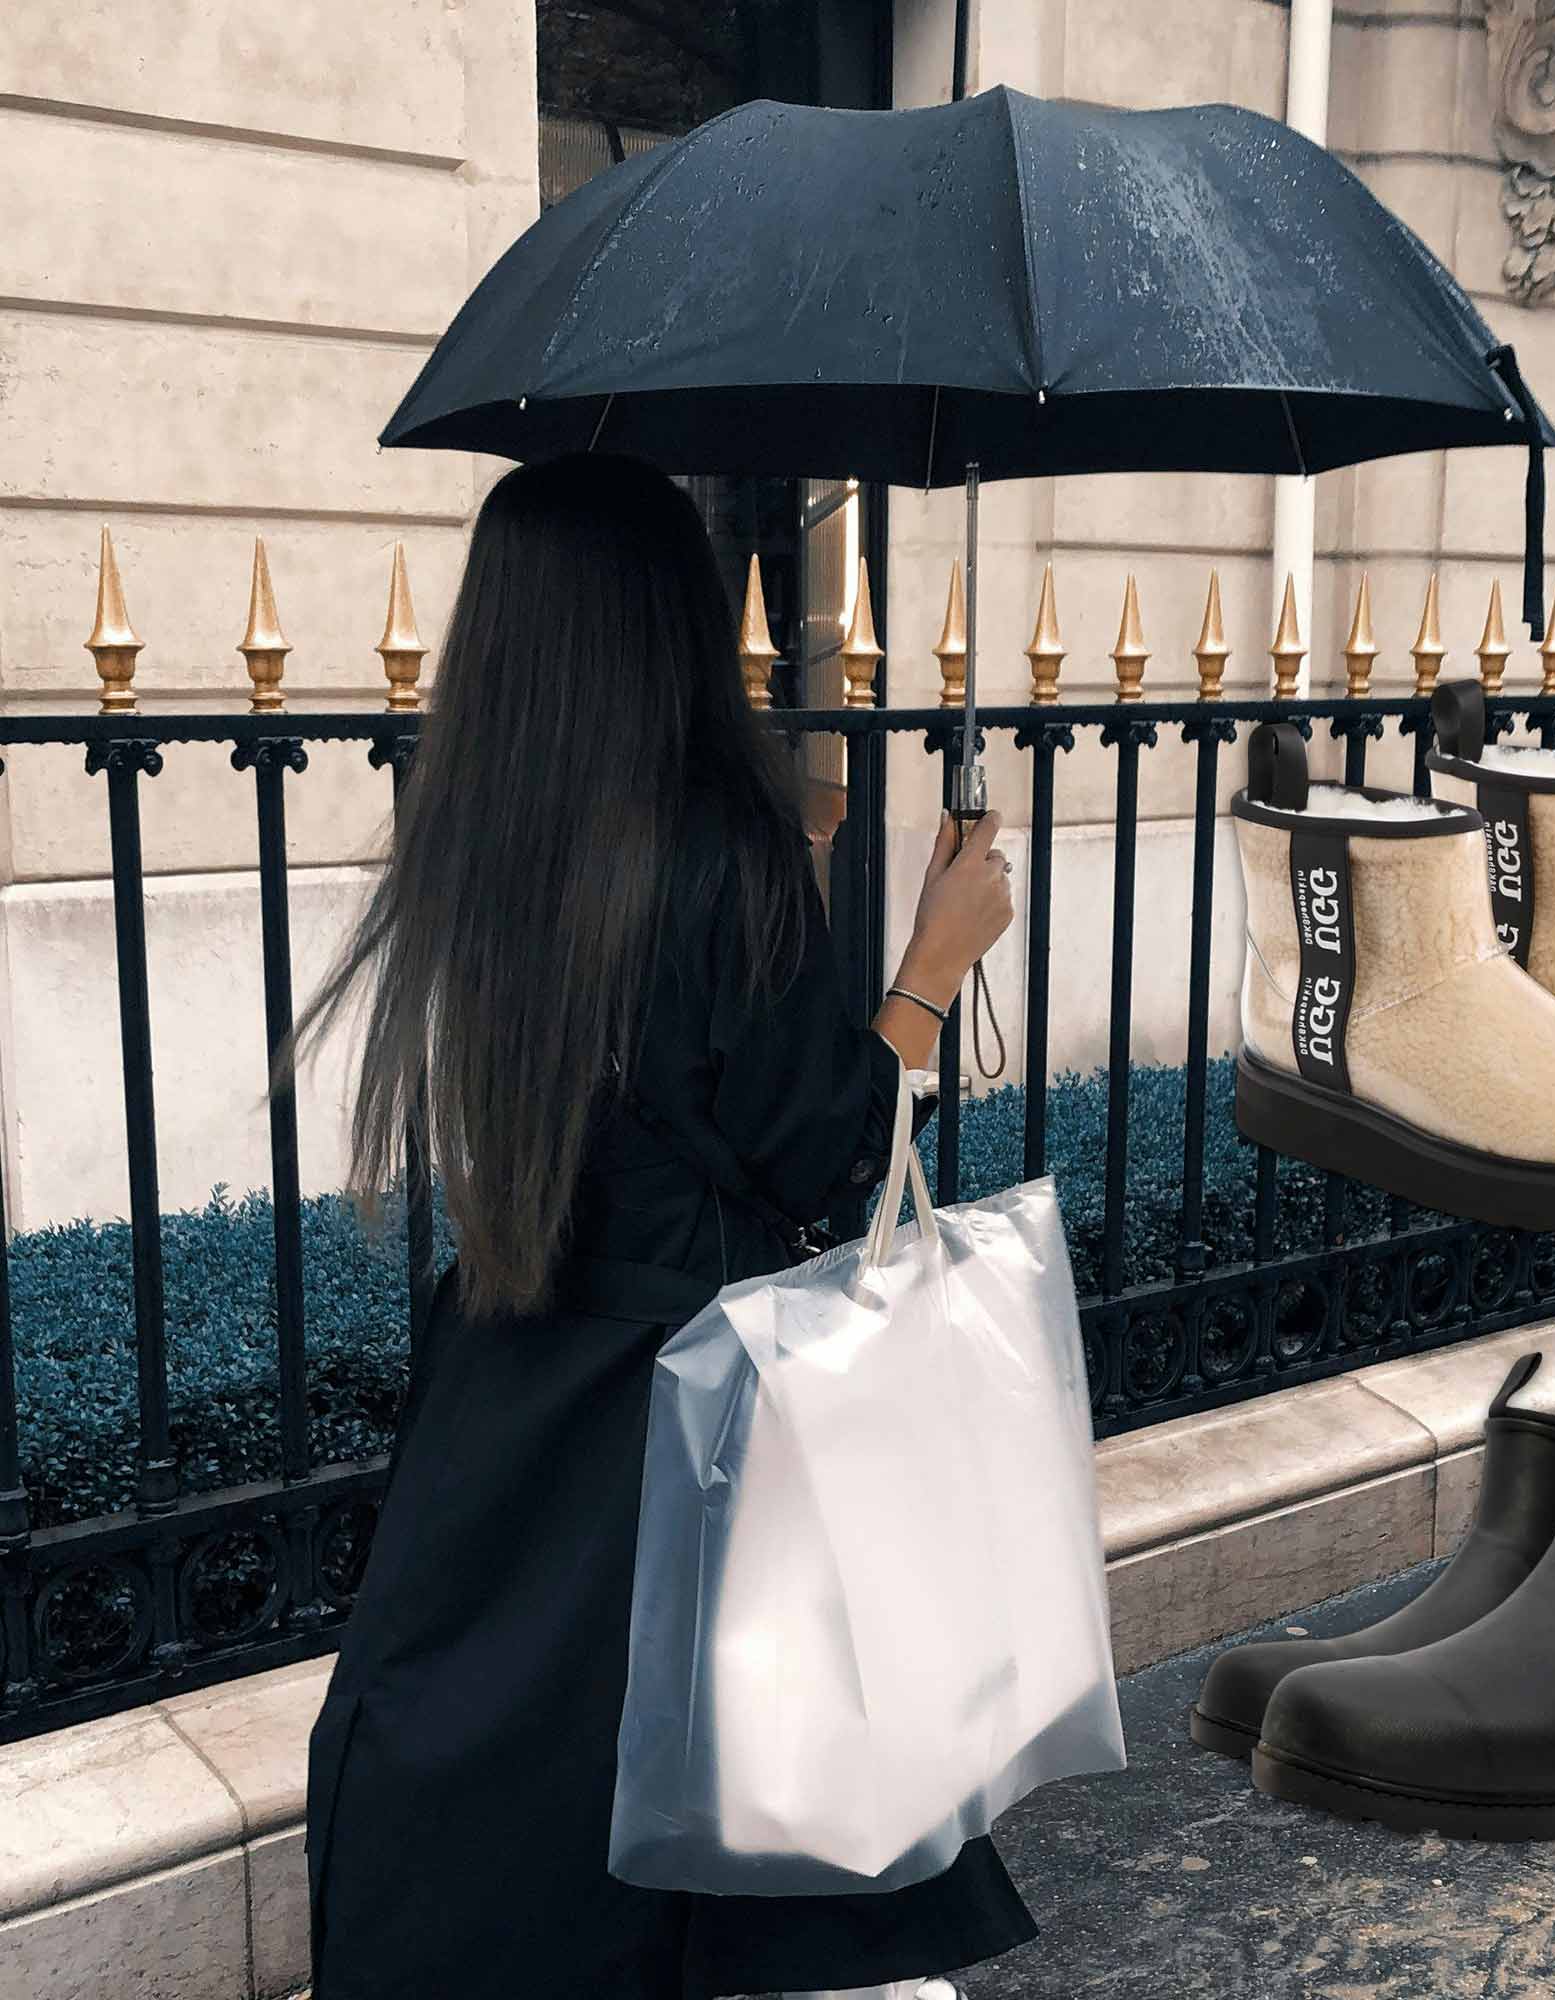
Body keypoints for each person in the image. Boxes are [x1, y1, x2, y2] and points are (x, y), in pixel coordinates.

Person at [292, 454, 1027, 2000]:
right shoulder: (719, 849)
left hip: (519, 1374)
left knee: (529, 1758)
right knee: (748, 1793)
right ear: (667, 627)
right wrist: (929, 968)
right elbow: (816, 1148)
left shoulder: (477, 842)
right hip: (705, 1386)